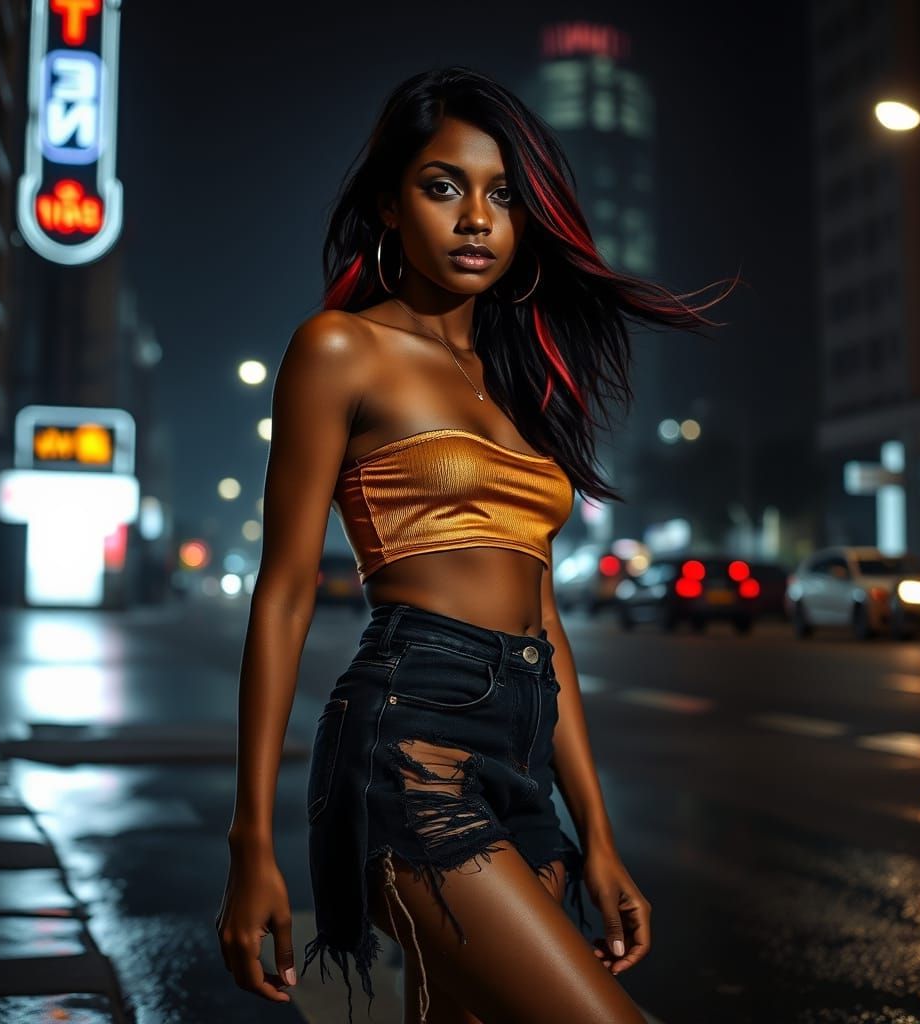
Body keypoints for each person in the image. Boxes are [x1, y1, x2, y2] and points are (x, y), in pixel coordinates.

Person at [216, 65, 736, 1023]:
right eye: (444, 186)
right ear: (388, 202)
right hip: (409, 738)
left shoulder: (517, 383)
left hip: (523, 755)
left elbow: (543, 619)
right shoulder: (340, 350)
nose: (477, 221)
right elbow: (283, 593)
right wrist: (250, 845)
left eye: (502, 196)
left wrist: (601, 835)